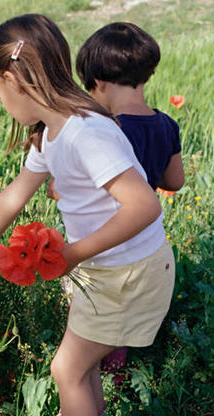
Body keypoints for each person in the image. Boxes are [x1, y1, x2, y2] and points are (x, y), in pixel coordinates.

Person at [0, 14, 174, 416]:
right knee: (79, 368)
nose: (1, 100)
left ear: (14, 80)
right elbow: (19, 189)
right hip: (106, 273)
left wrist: (75, 253)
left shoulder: (85, 133)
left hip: (127, 271)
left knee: (68, 368)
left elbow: (144, 205)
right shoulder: (55, 132)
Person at [74, 21, 185, 373]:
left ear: (99, 82)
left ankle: (101, 371)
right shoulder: (166, 124)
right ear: (146, 75)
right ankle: (114, 358)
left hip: (104, 240)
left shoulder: (107, 131)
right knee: (119, 313)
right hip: (146, 243)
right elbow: (175, 181)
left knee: (93, 313)